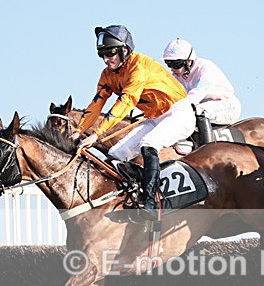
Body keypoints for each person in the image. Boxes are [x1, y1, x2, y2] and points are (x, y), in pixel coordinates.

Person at [73, 25, 192, 216]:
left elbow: (126, 102)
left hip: (179, 113)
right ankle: (129, 197)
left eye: (110, 53)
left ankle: (151, 203)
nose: (106, 59)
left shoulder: (139, 67)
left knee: (148, 143)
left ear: (125, 50)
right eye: (101, 54)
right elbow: (97, 103)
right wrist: (79, 131)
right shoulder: (107, 74)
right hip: (154, 117)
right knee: (116, 154)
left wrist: (96, 134)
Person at [161, 38, 242, 144]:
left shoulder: (206, 68)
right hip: (202, 106)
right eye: (168, 64)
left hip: (227, 106)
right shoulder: (177, 76)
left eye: (176, 64)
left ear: (189, 61)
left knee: (198, 111)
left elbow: (197, 94)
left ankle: (207, 149)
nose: (172, 68)